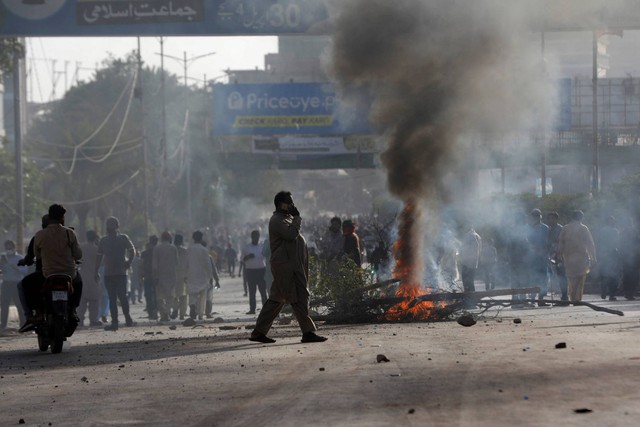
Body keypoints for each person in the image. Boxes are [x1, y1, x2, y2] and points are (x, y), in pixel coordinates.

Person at [249, 191, 327, 344]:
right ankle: (308, 332)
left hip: (291, 266)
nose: (292, 205)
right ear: (280, 204)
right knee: (299, 296)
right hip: (286, 267)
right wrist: (297, 218)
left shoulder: (286, 218)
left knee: (277, 299)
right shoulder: (277, 220)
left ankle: (259, 332)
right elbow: (291, 235)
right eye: (289, 202)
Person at [33, 204, 83, 327]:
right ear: (62, 218)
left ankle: (38, 313)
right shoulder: (69, 233)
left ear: (49, 217)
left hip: (47, 274)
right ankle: (72, 310)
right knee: (79, 283)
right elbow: (78, 255)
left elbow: (37, 255)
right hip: (69, 274)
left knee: (29, 286)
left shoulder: (40, 235)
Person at [96, 216, 135, 331]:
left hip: (116, 273)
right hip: (113, 274)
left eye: (111, 225)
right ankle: (118, 321)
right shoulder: (106, 240)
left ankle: (122, 319)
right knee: (117, 297)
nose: (110, 227)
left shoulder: (122, 238)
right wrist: (96, 271)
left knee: (118, 297)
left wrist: (129, 262)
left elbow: (132, 251)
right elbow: (98, 257)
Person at [557, 210, 597, 302]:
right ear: (581, 218)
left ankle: (573, 298)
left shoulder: (565, 228)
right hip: (581, 258)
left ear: (572, 217)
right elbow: (590, 244)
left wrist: (559, 255)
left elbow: (560, 243)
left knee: (571, 279)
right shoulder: (584, 228)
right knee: (580, 278)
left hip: (568, 258)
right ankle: (577, 299)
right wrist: (593, 257)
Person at [186, 230, 215, 321]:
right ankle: (200, 314)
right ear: (201, 238)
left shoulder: (189, 249)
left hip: (192, 274)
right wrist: (210, 276)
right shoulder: (204, 250)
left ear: (193, 238)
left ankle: (192, 305)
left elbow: (186, 263)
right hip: (203, 275)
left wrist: (185, 275)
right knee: (203, 295)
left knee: (192, 293)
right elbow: (208, 264)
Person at [0, 240, 27, 333]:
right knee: (4, 305)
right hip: (6, 283)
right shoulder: (2, 257)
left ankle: (23, 324)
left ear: (13, 248)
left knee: (19, 304)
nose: (8, 250)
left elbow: (24, 271)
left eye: (10, 248)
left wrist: (15, 267)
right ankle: (3, 325)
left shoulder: (19, 258)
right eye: (7, 248)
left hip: (16, 283)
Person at [152, 231, 178, 322]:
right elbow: (176, 262)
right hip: (171, 275)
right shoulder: (173, 248)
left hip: (160, 275)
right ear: (170, 238)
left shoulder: (157, 248)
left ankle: (163, 314)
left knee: (159, 297)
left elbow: (154, 264)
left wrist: (155, 275)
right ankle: (167, 312)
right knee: (170, 296)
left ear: (161, 238)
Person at [78, 230, 102, 327]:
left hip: (82, 275)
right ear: (95, 238)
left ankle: (80, 320)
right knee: (94, 301)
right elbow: (101, 262)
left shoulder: (81, 247)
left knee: (82, 301)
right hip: (94, 276)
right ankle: (93, 320)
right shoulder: (97, 249)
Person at [242, 230, 267, 315]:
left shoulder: (262, 246)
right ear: (252, 237)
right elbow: (242, 260)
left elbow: (266, 256)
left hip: (261, 270)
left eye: (258, 237)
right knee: (252, 292)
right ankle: (252, 309)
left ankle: (266, 309)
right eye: (255, 237)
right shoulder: (247, 247)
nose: (256, 238)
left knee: (263, 291)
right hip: (250, 271)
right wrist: (248, 257)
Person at [596, 216, 621, 301]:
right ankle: (611, 295)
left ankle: (604, 292)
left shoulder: (601, 231)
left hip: (604, 255)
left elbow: (598, 243)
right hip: (612, 255)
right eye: (612, 221)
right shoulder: (615, 231)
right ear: (610, 222)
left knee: (605, 275)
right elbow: (617, 243)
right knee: (614, 276)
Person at [528, 209, 550, 305]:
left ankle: (541, 299)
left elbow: (548, 242)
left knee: (543, 278)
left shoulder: (545, 228)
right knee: (534, 278)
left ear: (540, 216)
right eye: (535, 216)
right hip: (533, 257)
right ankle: (533, 299)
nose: (536, 217)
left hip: (542, 257)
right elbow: (527, 242)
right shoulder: (529, 228)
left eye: (538, 215)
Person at [546, 212, 568, 301]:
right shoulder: (549, 229)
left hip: (560, 256)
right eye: (549, 218)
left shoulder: (561, 229)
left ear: (556, 219)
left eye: (552, 218)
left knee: (562, 276)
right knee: (554, 276)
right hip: (551, 256)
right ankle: (559, 295)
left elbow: (564, 242)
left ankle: (565, 295)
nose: (550, 220)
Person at [620, 218, 640, 300]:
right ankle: (630, 293)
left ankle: (627, 293)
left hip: (626, 256)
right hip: (634, 256)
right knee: (633, 276)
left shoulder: (623, 232)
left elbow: (620, 244)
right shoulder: (634, 231)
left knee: (627, 275)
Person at [459, 223, 482, 293]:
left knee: (466, 281)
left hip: (467, 262)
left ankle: (469, 299)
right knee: (470, 281)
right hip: (473, 262)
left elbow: (473, 248)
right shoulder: (478, 236)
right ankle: (471, 299)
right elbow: (479, 249)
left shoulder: (470, 236)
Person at [140, 235, 158, 320]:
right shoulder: (159, 252)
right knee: (156, 295)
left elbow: (142, 265)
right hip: (157, 276)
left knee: (148, 295)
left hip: (147, 276)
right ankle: (155, 311)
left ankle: (151, 313)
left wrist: (140, 276)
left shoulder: (144, 253)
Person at [171, 234, 189, 320]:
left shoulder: (171, 250)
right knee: (183, 295)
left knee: (173, 294)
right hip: (183, 274)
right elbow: (188, 264)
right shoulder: (185, 251)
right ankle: (182, 314)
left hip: (172, 274)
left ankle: (175, 309)